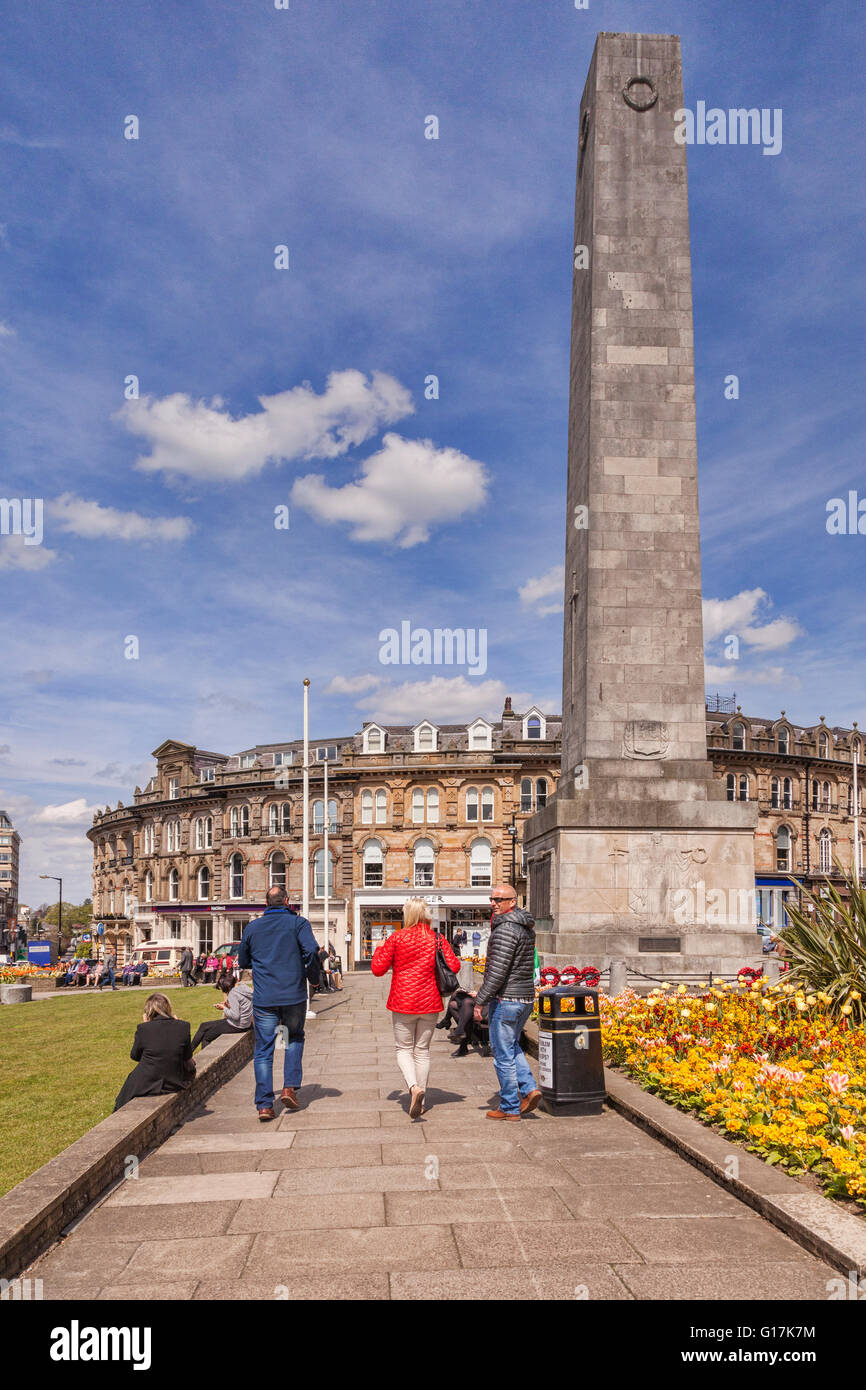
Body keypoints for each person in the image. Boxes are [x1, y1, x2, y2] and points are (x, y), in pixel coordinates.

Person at [237, 885, 320, 1121]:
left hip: (265, 998)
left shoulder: (252, 927)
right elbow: (312, 950)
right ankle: (288, 1088)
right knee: (293, 1038)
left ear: (266, 902)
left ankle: (264, 1105)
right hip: (293, 996)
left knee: (263, 1050)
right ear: (286, 901)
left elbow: (243, 959)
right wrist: (312, 977)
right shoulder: (298, 923)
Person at [371, 897, 460, 1119]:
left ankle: (413, 1088)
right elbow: (454, 966)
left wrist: (380, 949)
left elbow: (378, 969)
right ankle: (422, 1101)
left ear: (407, 915)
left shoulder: (397, 938)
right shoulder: (437, 939)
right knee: (422, 1052)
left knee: (403, 1050)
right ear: (426, 915)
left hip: (403, 1002)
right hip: (429, 1002)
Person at [473, 885, 541, 1121]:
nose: (493, 903)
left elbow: (497, 972)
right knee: (512, 1047)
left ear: (513, 902)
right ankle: (530, 1089)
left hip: (507, 999)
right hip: (525, 998)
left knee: (502, 1054)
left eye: (499, 899)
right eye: (492, 899)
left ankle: (510, 1106)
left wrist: (480, 1001)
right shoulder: (525, 927)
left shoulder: (505, 929)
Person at [113, 993, 195, 1110]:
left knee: (124, 1096)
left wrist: (146, 1026)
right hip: (175, 1079)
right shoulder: (184, 1026)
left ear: (148, 1011)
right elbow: (187, 1055)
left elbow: (135, 1056)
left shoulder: (144, 1028)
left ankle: (117, 1112)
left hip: (148, 1080)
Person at [192, 969, 254, 1051]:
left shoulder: (233, 994)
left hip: (238, 1025)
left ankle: (192, 1058)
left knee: (206, 1037)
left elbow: (235, 1016)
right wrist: (229, 1005)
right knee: (204, 1025)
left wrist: (223, 1008)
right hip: (245, 1023)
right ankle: (188, 1053)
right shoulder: (243, 987)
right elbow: (243, 1006)